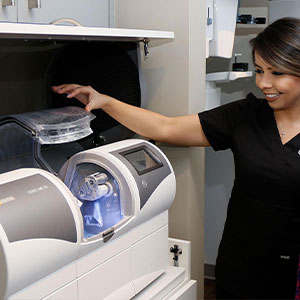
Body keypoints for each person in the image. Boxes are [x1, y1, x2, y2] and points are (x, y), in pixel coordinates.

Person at [52, 17, 300, 299]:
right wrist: (105, 101)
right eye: (259, 70)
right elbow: (164, 127)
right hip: (242, 266)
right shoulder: (245, 117)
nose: (264, 83)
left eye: (277, 73)